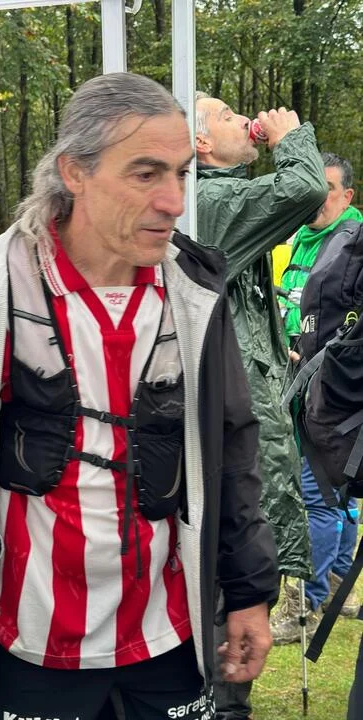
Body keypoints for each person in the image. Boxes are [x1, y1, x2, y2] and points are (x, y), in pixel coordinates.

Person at [0, 72, 279, 720]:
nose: (174, 201)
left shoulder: (194, 293)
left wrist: (248, 590)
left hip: (168, 640)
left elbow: (231, 450)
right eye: (146, 174)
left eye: (182, 174)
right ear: (74, 171)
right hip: (31, 647)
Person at [195, 93, 328, 720]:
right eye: (225, 116)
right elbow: (305, 188)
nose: (242, 119)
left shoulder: (222, 201)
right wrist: (290, 138)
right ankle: (220, 703)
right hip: (229, 433)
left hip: (244, 425)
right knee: (228, 583)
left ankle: (224, 698)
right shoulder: (210, 203)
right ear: (200, 144)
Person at [271, 152, 363, 646]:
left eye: (326, 189)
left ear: (347, 195)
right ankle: (339, 584)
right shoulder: (295, 243)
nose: (315, 198)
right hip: (302, 385)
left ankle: (305, 601)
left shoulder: (351, 245)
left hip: (332, 399)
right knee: (338, 494)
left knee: (319, 497)